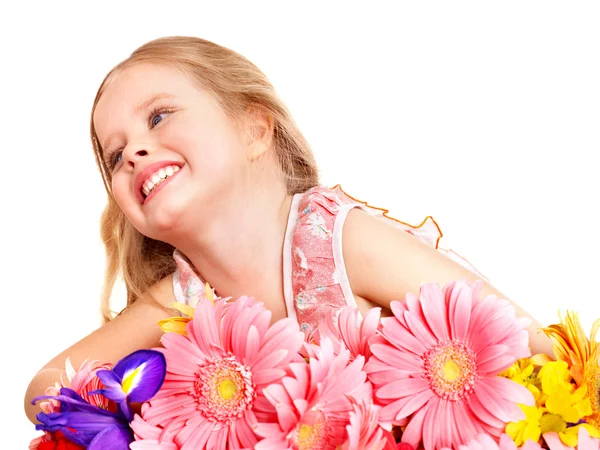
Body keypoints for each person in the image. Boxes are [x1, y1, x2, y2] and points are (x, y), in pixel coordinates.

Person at [24, 35, 553, 423]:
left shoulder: (343, 244)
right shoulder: (180, 302)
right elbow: (45, 386)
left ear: (254, 129)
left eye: (159, 117)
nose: (134, 151)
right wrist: (131, 412)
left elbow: (531, 343)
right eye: (115, 156)